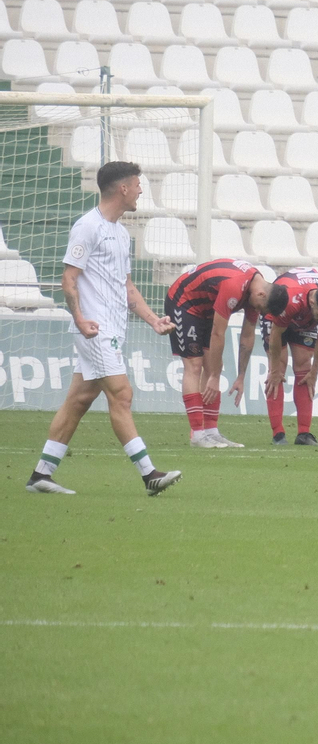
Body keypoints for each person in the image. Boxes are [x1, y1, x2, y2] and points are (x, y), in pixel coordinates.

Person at [25, 162, 182, 496]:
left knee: (79, 400)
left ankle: (41, 475)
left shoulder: (121, 233)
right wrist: (80, 319)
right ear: (122, 188)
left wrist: (154, 320)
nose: (141, 190)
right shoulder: (87, 227)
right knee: (122, 395)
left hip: (113, 328)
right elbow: (69, 278)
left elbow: (126, 288)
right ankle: (149, 474)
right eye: (138, 184)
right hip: (94, 329)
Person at [166, 257, 280, 447]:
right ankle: (197, 433)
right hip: (184, 302)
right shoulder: (234, 286)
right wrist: (215, 377)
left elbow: (247, 336)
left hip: (205, 308)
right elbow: (218, 333)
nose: (257, 310)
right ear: (261, 295)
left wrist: (241, 376)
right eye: (260, 308)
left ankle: (211, 431)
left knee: (212, 366)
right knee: (194, 365)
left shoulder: (255, 292)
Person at [261, 267, 318, 447]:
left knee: (305, 368)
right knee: (279, 368)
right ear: (313, 302)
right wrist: (274, 369)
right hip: (277, 317)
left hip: (304, 318)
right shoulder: (290, 299)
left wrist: (315, 370)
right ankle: (278, 434)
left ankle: (303, 433)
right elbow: (276, 333)